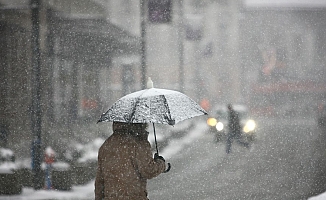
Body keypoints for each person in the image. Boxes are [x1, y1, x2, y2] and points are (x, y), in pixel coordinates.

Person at [95, 122, 166, 200]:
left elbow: (99, 181)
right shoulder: (139, 143)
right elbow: (149, 170)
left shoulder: (106, 145)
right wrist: (160, 163)